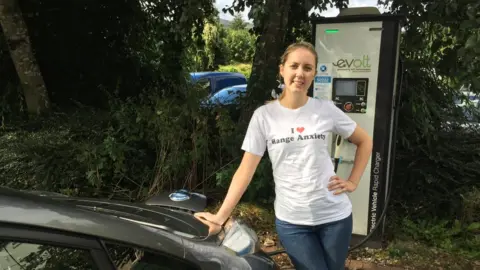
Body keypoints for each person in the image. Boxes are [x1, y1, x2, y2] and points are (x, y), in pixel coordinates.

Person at [194, 41, 373, 270]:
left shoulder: (325, 110)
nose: (300, 73)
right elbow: (245, 171)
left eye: (307, 68)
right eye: (294, 66)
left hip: (335, 217)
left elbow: (364, 140)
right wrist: (220, 217)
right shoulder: (264, 117)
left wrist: (353, 181)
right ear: (282, 69)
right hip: (293, 223)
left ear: (314, 74)